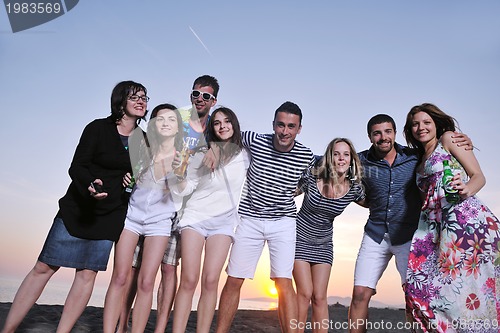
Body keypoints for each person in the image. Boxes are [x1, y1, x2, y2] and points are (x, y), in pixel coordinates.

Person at [1, 80, 148, 333]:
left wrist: (129, 182)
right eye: (134, 96)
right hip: (78, 208)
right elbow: (77, 165)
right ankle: (9, 328)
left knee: (87, 274)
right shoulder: (97, 128)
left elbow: (140, 178)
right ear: (120, 101)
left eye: (144, 97)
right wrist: (90, 184)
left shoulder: (144, 140)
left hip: (111, 215)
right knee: (44, 266)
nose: (141, 101)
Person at [347, 114, 472, 333]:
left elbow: (443, 149)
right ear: (369, 136)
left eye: (388, 131)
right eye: (377, 133)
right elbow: (332, 161)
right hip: (375, 236)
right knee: (359, 294)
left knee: (415, 298)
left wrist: (463, 141)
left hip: (410, 237)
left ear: (395, 133)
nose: (383, 137)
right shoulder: (360, 161)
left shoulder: (414, 156)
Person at [116, 74, 220, 332]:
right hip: (151, 201)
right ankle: (122, 322)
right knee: (134, 268)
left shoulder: (214, 131)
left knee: (169, 268)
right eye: (196, 93)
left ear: (214, 100)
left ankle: (160, 327)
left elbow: (231, 144)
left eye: (205, 95)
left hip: (185, 207)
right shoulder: (177, 119)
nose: (199, 99)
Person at [215, 101, 316, 333]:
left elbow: (306, 183)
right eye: (280, 125)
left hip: (283, 222)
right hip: (249, 219)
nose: (285, 131)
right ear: (273, 125)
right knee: (234, 280)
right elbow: (228, 133)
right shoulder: (254, 140)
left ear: (299, 129)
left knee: (283, 282)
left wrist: (293, 191)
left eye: (291, 126)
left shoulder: (306, 156)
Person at [403, 103, 500, 332]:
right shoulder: (418, 158)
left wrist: (466, 188)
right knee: (419, 286)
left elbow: (478, 176)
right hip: (434, 228)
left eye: (427, 122)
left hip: (466, 223)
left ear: (436, 124)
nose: (421, 127)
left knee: (469, 290)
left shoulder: (447, 139)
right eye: (415, 124)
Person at [103, 104, 184, 333]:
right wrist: (127, 177)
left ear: (177, 127)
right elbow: (130, 181)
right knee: (119, 277)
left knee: (146, 282)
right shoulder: (142, 148)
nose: (165, 123)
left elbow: (181, 192)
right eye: (159, 119)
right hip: (132, 217)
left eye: (171, 119)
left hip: (159, 222)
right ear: (154, 124)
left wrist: (179, 174)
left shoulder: (182, 156)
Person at [171, 107, 250, 333]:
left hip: (224, 223)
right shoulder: (201, 153)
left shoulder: (245, 155)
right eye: (217, 123)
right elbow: (185, 189)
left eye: (227, 121)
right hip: (195, 218)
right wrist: (179, 175)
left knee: (210, 281)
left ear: (234, 125)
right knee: (189, 279)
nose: (222, 126)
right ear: (212, 129)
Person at [293, 138, 365, 333]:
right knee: (305, 292)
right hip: (298, 238)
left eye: (346, 154)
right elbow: (288, 192)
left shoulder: (354, 189)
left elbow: (376, 204)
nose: (341, 158)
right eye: (336, 153)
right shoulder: (312, 177)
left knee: (319, 297)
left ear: (351, 160)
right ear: (329, 157)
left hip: (324, 244)